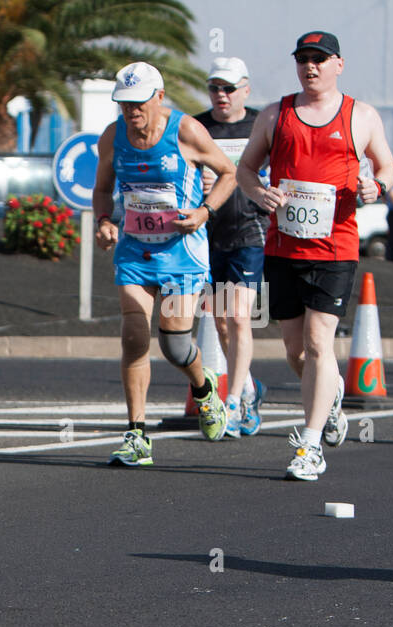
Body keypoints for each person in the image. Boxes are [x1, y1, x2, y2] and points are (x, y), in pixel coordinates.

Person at [237, 31, 393, 480]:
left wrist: (376, 186)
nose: (311, 66)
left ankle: (309, 446)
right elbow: (246, 168)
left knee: (317, 342)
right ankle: (329, 399)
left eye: (320, 59)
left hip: (335, 247)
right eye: (304, 59)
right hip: (283, 246)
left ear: (338, 64)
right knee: (294, 351)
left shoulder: (360, 115)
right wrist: (259, 194)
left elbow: (386, 167)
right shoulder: (276, 113)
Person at [93, 61, 236, 466]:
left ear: (159, 97)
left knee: (174, 345)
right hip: (135, 252)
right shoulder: (113, 136)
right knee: (134, 337)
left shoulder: (186, 131)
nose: (131, 111)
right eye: (123, 104)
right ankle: (137, 435)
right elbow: (102, 189)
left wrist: (205, 211)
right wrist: (104, 222)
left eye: (138, 103)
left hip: (182, 253)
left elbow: (228, 172)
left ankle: (204, 389)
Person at [194, 56, 270, 438]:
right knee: (220, 322)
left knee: (240, 317)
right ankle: (252, 389)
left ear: (245, 89)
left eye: (228, 88)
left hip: (250, 231)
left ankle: (235, 401)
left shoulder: (262, 123)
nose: (221, 95)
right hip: (207, 233)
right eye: (214, 88)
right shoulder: (197, 126)